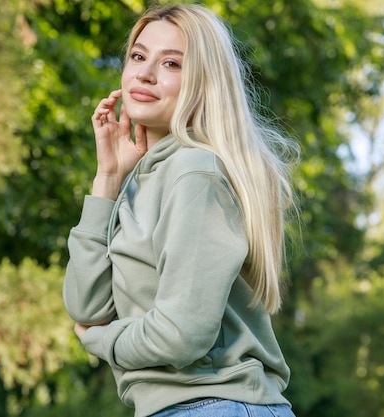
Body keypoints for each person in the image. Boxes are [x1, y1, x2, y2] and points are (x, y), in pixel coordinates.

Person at [63, 3, 298, 417]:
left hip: (216, 404)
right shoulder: (141, 180)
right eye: (138, 56)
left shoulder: (194, 172)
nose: (145, 73)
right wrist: (107, 180)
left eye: (171, 63)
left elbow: (181, 335)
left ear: (203, 83)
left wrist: (99, 341)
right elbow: (87, 307)